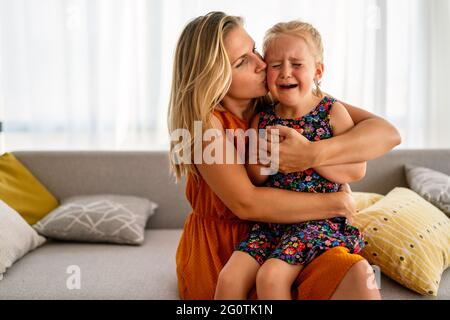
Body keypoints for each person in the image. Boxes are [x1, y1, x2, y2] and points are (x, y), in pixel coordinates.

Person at [168, 11, 401, 300]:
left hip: (298, 230)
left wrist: (311, 153)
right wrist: (336, 201)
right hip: (231, 247)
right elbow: (247, 202)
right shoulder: (205, 127)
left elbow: (386, 133)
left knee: (358, 274)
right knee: (258, 280)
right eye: (243, 61)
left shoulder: (282, 101)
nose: (261, 64)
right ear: (213, 77)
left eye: (254, 50)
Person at [214, 20, 367, 300]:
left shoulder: (332, 112)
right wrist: (260, 159)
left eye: (297, 64)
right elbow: (256, 179)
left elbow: (356, 170)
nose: (285, 72)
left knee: (271, 276)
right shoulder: (263, 118)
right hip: (273, 222)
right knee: (229, 277)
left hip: (318, 221)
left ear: (317, 71)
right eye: (275, 65)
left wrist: (307, 154)